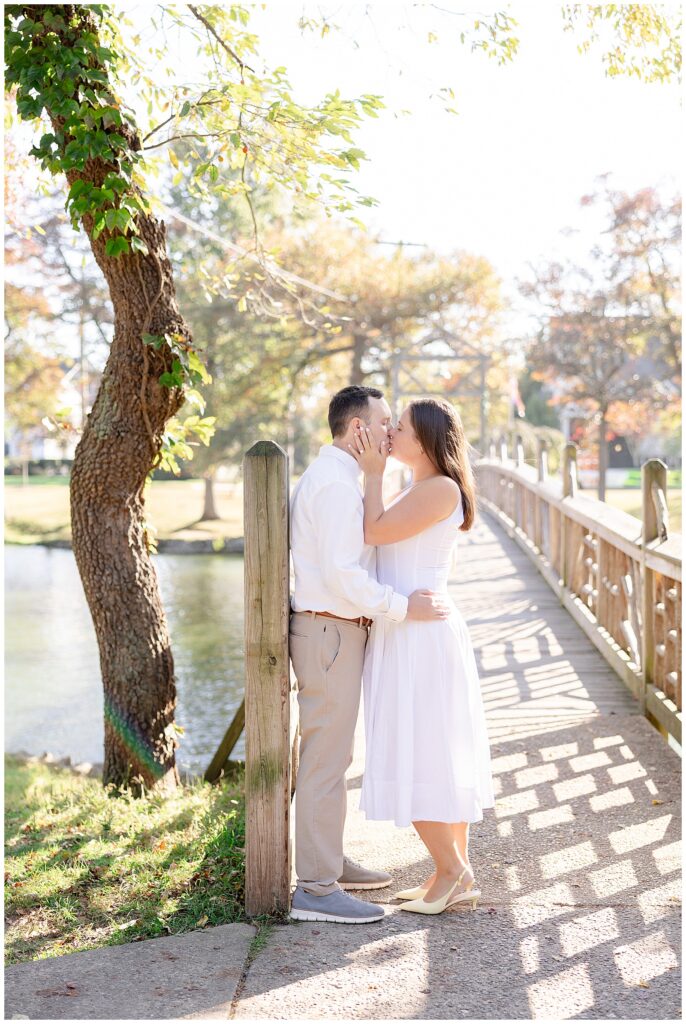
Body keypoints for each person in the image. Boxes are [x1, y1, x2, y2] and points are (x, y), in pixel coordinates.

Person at [288, 385, 451, 925]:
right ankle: (315, 888)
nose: (390, 431)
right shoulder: (336, 485)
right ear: (358, 428)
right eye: (384, 422)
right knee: (325, 760)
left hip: (336, 632)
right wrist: (402, 607)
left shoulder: (341, 477)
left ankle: (328, 861)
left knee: (334, 757)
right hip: (329, 632)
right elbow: (343, 575)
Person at [348, 396, 495, 915]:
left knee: (418, 750)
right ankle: (454, 873)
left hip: (420, 636)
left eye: (402, 429)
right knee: (433, 751)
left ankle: (451, 869)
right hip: (409, 628)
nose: (391, 434)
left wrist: (371, 473)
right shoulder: (419, 487)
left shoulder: (439, 488)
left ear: (428, 440)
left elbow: (374, 531)